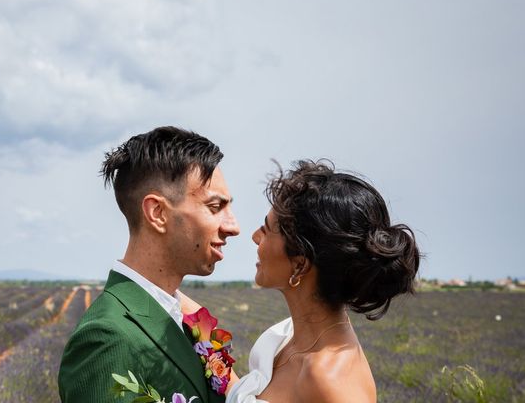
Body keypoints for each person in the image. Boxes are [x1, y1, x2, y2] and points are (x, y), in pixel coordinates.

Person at [58, 126, 240, 403]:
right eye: (215, 207)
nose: (233, 226)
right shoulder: (107, 338)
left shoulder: (183, 317)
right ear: (158, 213)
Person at [224, 159, 420, 403]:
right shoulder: (289, 336)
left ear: (300, 264)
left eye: (266, 230)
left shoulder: (331, 383)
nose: (254, 237)